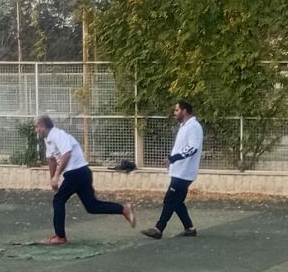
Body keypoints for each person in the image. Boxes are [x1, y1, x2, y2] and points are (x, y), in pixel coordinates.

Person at [37, 114, 133, 244]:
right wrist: (52, 178)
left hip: (76, 172)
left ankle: (60, 237)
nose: (36, 130)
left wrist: (57, 175)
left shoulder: (58, 135)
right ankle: (123, 209)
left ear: (43, 126)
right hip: (81, 173)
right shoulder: (48, 139)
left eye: (37, 127)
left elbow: (67, 154)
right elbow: (52, 160)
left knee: (58, 200)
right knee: (91, 206)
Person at [141, 100, 202, 239]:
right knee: (177, 201)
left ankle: (159, 229)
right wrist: (172, 160)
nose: (174, 113)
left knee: (169, 199)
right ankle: (190, 228)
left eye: (176, 110)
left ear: (184, 111)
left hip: (185, 172)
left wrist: (173, 158)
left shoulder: (194, 127)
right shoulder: (184, 126)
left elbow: (192, 148)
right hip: (179, 171)